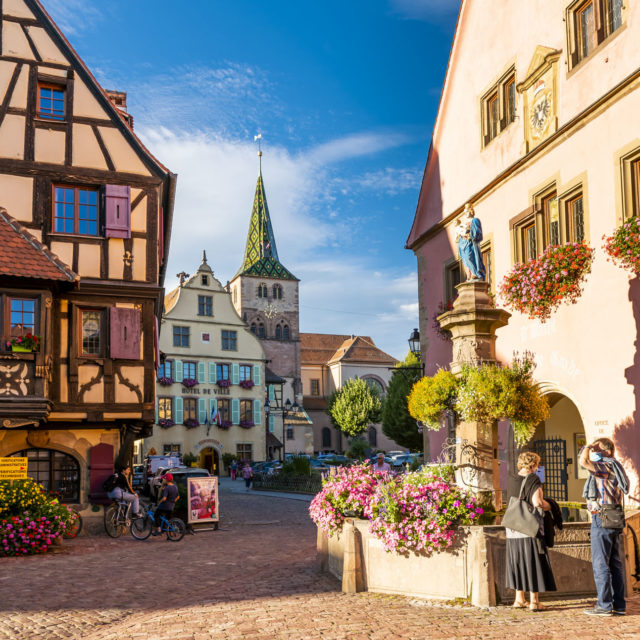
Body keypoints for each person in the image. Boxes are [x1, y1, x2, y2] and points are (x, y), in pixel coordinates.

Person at [579, 437, 629, 616]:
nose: (594, 453)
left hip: (602, 516)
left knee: (601, 564)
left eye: (597, 450)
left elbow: (583, 461)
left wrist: (588, 446)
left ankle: (604, 605)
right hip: (615, 516)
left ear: (604, 450)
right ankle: (619, 605)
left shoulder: (604, 467)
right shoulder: (616, 466)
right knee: (615, 563)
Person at [505, 451, 556, 611]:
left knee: (518, 563)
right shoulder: (533, 478)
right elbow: (537, 503)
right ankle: (534, 601)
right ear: (533, 465)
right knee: (534, 562)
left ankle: (519, 599)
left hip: (513, 529)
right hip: (529, 528)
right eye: (537, 464)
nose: (538, 467)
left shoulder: (511, 478)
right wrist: (552, 505)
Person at [455, 203, 486, 281]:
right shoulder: (463, 223)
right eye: (465, 212)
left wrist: (470, 234)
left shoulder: (474, 220)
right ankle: (469, 274)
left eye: (467, 212)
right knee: (465, 260)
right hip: (464, 243)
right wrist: (460, 235)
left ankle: (475, 273)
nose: (466, 214)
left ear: (471, 211)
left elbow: (478, 232)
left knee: (469, 257)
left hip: (470, 243)